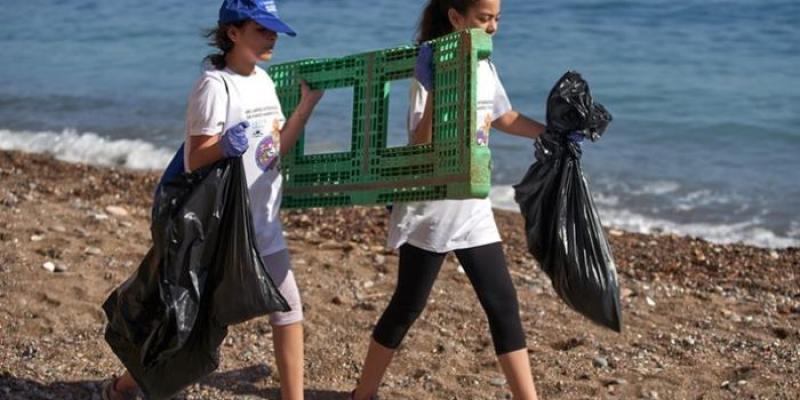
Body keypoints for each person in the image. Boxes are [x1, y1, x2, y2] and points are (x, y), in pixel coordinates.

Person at [102, 1, 323, 399]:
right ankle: (122, 387)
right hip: (222, 228)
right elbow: (194, 156)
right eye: (262, 29)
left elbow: (271, 152)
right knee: (189, 324)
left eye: (274, 30)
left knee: (288, 309)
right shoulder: (213, 85)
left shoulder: (264, 80)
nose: (272, 37)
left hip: (263, 221)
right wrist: (223, 145)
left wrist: (304, 111)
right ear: (233, 33)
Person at [351, 1, 549, 399]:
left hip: (472, 205)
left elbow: (502, 117)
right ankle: (363, 394)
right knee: (407, 305)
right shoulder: (433, 66)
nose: (492, 28)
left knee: (503, 305)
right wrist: (439, 89)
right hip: (431, 205)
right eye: (483, 18)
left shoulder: (484, 64)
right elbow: (419, 142)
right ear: (455, 18)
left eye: (496, 19)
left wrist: (551, 134)